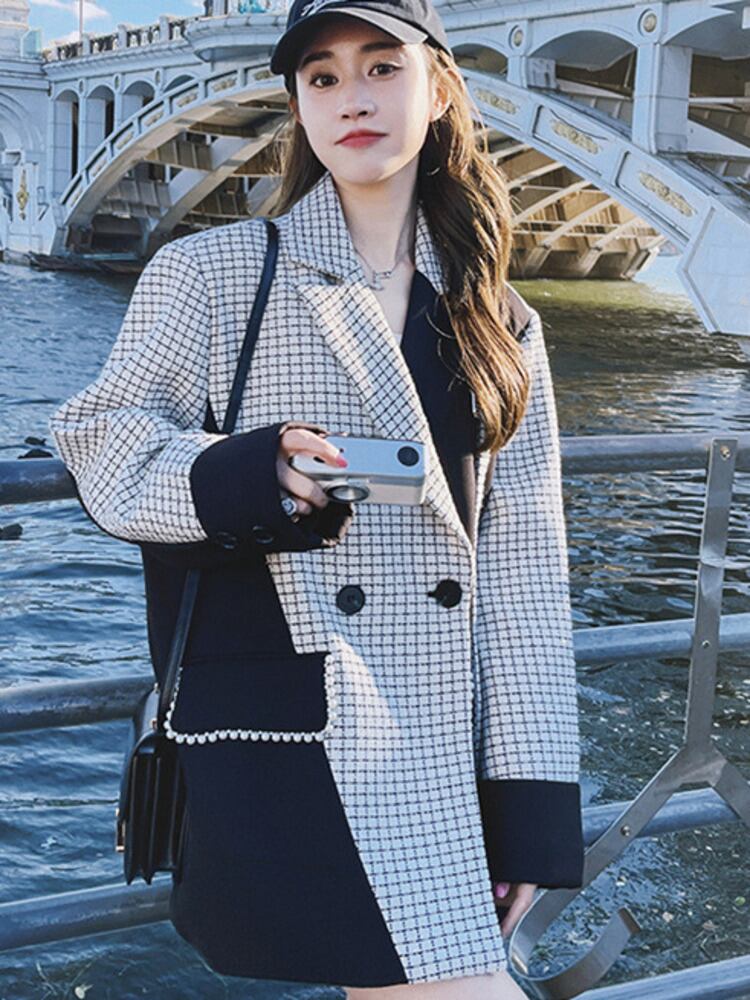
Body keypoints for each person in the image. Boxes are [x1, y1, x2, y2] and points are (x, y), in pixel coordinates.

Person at [47, 0, 584, 996]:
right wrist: (244, 476)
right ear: (298, 104)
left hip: (440, 755)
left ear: (439, 89)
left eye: (381, 67)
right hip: (299, 734)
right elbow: (98, 441)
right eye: (323, 77)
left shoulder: (499, 318)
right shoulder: (214, 272)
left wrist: (530, 811)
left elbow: (524, 580)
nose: (352, 99)